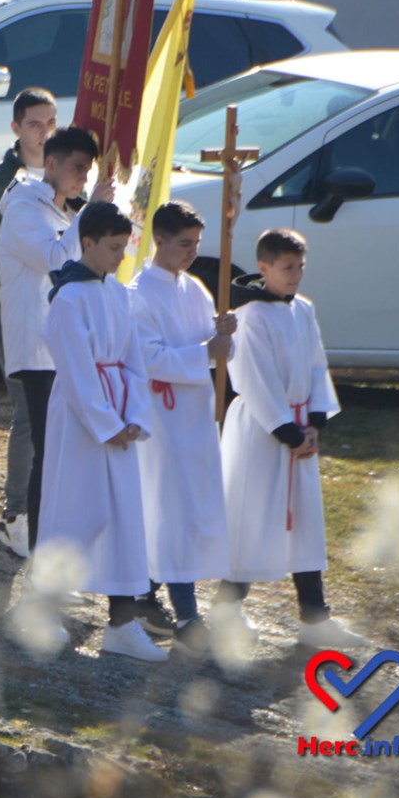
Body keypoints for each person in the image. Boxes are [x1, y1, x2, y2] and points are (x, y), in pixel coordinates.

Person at [218, 229, 366, 648]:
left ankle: (315, 618)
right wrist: (286, 431)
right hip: (264, 430)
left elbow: (317, 365)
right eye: (287, 268)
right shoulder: (251, 318)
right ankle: (226, 607)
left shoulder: (303, 310)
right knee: (253, 515)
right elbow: (253, 379)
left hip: (301, 429)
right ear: (263, 268)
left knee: (304, 522)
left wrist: (315, 423)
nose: (296, 275)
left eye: (301, 267)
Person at [34, 202, 162, 662]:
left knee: (124, 519)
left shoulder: (117, 294)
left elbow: (133, 361)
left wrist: (134, 417)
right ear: (86, 243)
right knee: (75, 510)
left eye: (124, 247)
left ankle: (122, 623)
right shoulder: (68, 300)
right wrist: (106, 423)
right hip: (81, 422)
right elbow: (76, 371)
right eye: (112, 248)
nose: (120, 257)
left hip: (119, 419)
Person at [0, 125, 111, 559]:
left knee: (59, 448)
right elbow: (54, 262)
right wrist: (90, 213)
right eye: (78, 167)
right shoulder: (25, 207)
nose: (84, 177)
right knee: (47, 449)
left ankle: (48, 535)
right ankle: (38, 541)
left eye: (88, 169)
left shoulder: (64, 211)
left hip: (63, 348)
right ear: (51, 163)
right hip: (36, 347)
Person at [129, 201, 237, 656]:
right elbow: (150, 358)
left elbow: (216, 352)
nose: (192, 252)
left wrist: (224, 339)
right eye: (183, 243)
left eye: (196, 243)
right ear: (160, 240)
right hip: (162, 418)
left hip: (194, 417)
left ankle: (143, 596)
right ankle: (187, 613)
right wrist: (207, 351)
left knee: (186, 510)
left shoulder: (194, 289)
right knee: (170, 510)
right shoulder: (139, 293)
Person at [0, 89, 58, 558]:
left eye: (50, 123)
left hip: (60, 312)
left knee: (54, 411)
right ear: (16, 129)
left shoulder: (66, 178)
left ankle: (46, 510)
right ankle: (16, 514)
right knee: (27, 409)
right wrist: (15, 289)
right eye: (34, 125)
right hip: (11, 309)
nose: (43, 133)